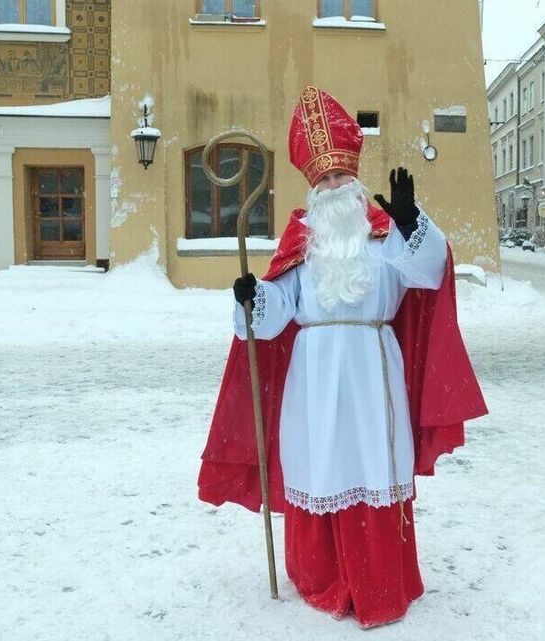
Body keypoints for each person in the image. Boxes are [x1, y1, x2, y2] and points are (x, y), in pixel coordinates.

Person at [198, 86, 487, 627]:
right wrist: (251, 296)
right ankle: (322, 573)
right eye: (323, 180)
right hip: (313, 374)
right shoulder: (300, 243)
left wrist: (409, 221)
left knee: (373, 461)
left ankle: (379, 579)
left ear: (354, 179)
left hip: (373, 366)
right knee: (321, 459)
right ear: (313, 187)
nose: (333, 186)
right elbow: (275, 314)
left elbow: (430, 271)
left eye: (340, 177)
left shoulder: (385, 238)